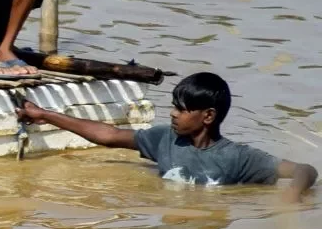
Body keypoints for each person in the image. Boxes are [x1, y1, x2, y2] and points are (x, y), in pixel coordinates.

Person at [16, 72, 318, 201]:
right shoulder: (165, 140)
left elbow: (305, 170)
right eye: (174, 106)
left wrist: (292, 195)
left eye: (182, 109)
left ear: (208, 116)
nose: (173, 113)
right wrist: (44, 115)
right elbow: (108, 135)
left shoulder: (238, 157)